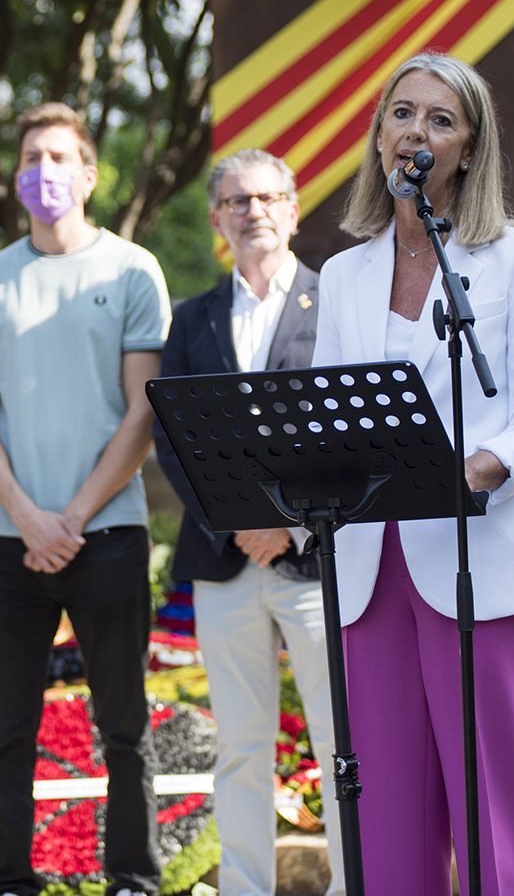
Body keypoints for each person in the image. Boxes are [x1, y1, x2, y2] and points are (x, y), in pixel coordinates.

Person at [312, 53, 514, 894]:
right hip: (368, 571)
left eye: (439, 119)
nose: (414, 131)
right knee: (385, 823)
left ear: (468, 149)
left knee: (492, 814)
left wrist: (479, 466)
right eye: (401, 113)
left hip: (480, 562)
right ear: (378, 133)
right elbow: (324, 417)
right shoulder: (344, 275)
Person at [0, 102, 171, 896]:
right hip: (9, 545)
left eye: (58, 158)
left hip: (106, 534)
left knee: (124, 728)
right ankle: (12, 881)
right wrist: (26, 515)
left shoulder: (132, 270)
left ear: (88, 175)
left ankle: (133, 883)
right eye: (31, 159)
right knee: (8, 732)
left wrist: (72, 517)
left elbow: (144, 410)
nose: (44, 173)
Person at [151, 148, 344, 896]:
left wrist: (290, 526)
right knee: (239, 746)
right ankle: (245, 888)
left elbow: (347, 432)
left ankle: (350, 884)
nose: (253, 211)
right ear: (217, 220)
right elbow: (173, 434)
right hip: (223, 560)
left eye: (267, 198)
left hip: (315, 560)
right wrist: (237, 521)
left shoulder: (335, 305)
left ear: (293, 210)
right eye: (238, 201)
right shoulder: (193, 319)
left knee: (339, 742)